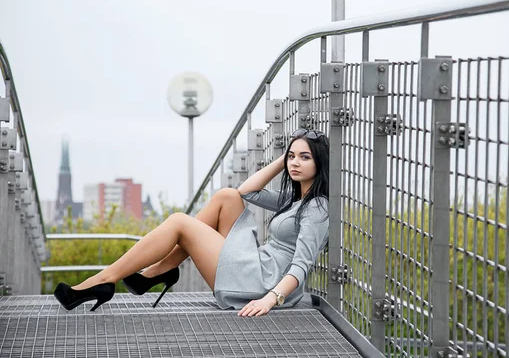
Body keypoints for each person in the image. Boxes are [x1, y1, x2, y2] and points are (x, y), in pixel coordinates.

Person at [53, 129, 330, 317]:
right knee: (227, 196)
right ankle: (161, 269)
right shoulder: (295, 199)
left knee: (179, 223)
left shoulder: (317, 208)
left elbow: (301, 265)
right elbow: (247, 191)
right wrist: (283, 160)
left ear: (320, 162)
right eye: (292, 157)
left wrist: (271, 299)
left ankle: (106, 279)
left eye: (304, 158)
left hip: (262, 282)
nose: (295, 163)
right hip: (258, 265)